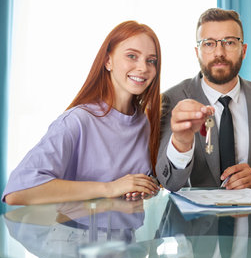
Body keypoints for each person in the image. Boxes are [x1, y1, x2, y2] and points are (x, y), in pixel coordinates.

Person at [2, 21, 162, 205]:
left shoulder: (146, 123)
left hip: (129, 233)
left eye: (151, 61)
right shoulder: (77, 121)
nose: (143, 68)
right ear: (107, 61)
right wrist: (110, 188)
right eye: (132, 56)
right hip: (75, 232)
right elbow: (17, 191)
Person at [156, 8, 251, 191]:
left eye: (229, 42)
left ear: (244, 50)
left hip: (250, 216)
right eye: (209, 44)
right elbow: (168, 182)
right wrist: (181, 143)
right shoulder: (172, 100)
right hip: (192, 219)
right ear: (197, 51)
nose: (219, 52)